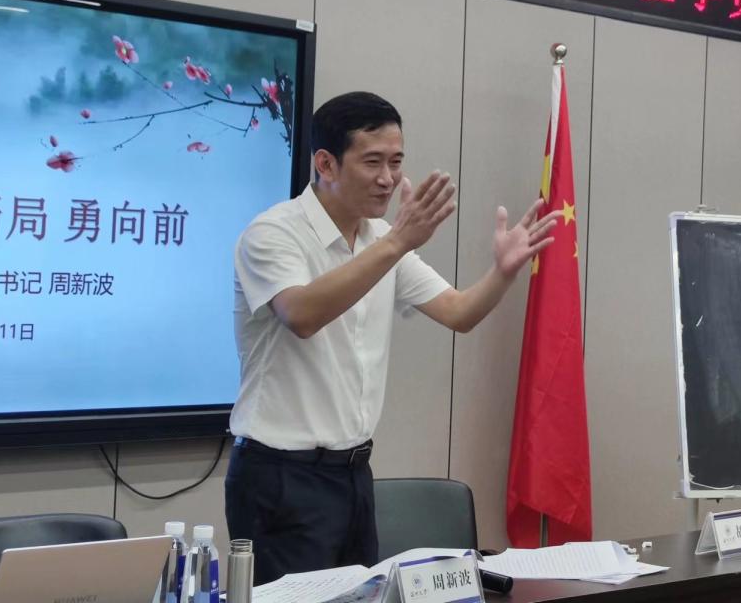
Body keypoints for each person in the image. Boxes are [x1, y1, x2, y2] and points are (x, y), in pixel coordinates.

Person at [225, 91, 559, 584]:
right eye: (373, 162)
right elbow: (302, 314)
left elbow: (459, 312)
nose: (388, 178)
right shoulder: (273, 233)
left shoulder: (382, 239)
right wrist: (399, 241)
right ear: (326, 163)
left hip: (353, 473)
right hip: (279, 477)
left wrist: (503, 272)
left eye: (396, 162)